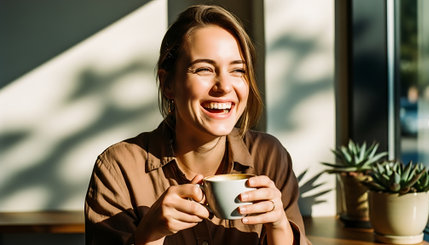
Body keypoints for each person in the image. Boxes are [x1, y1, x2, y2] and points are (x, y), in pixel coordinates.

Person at [85, 4, 310, 245]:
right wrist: (149, 235)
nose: (224, 86)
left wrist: (279, 226)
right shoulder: (118, 168)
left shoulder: (269, 156)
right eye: (203, 69)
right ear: (168, 83)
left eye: (238, 70)